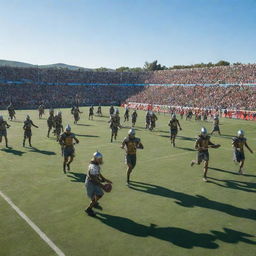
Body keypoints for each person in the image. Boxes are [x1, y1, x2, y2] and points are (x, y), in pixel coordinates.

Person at [85, 151, 112, 217]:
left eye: (101, 158)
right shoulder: (93, 167)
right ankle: (88, 209)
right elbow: (93, 179)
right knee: (94, 197)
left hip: (95, 182)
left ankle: (94, 203)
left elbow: (98, 173)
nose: (101, 160)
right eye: (99, 159)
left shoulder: (96, 164)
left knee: (99, 194)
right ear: (95, 159)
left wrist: (104, 179)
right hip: (90, 184)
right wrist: (102, 186)